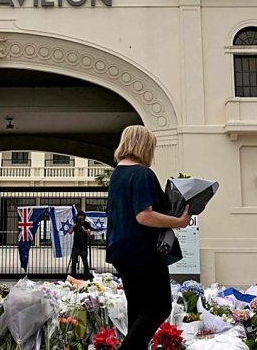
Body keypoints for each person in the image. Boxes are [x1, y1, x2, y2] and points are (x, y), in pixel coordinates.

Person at [106, 125, 191, 350]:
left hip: (121, 250)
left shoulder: (117, 174)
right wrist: (179, 222)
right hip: (143, 250)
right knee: (159, 306)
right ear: (145, 146)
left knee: (138, 307)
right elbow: (144, 215)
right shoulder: (142, 173)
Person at [69, 211, 93, 279]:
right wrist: (73, 227)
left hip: (83, 246)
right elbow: (70, 232)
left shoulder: (86, 224)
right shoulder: (76, 224)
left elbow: (89, 232)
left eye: (82, 216)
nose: (80, 217)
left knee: (85, 262)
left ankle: (86, 277)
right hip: (75, 246)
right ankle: (73, 277)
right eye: (79, 216)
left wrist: (84, 230)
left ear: (84, 217)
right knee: (73, 263)